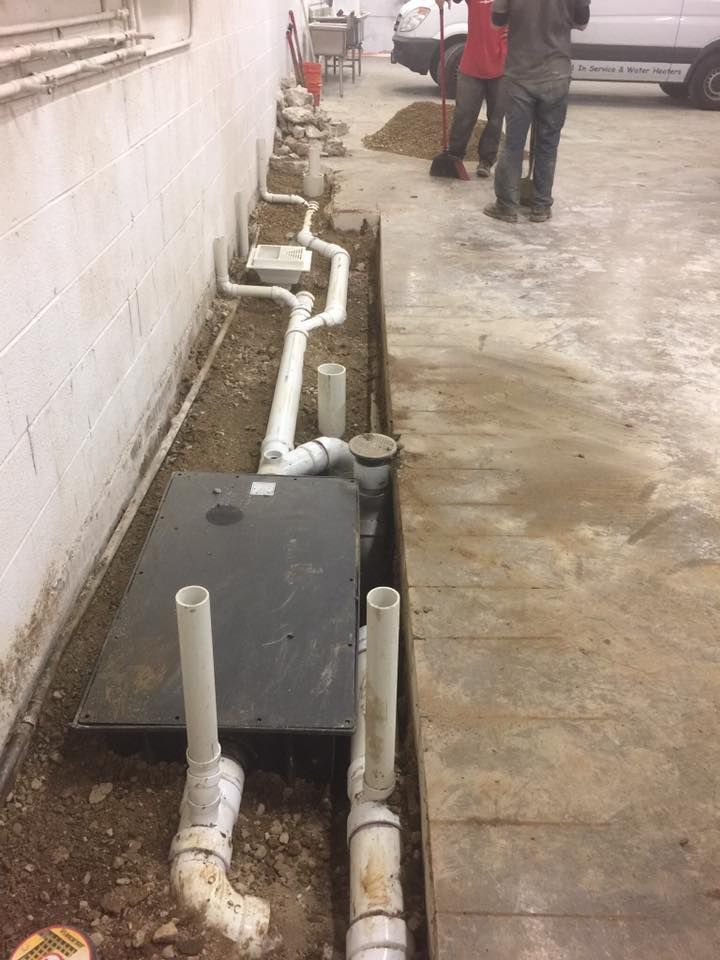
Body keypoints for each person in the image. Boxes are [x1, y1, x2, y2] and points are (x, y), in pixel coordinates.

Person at [483, 0, 591, 223]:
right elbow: (582, 22)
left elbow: (497, 22)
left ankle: (506, 206)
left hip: (520, 74)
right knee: (548, 144)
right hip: (556, 75)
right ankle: (540, 206)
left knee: (513, 144)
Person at [435, 0, 508, 178]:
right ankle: (454, 157)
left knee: (496, 120)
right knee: (463, 115)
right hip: (471, 66)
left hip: (502, 68)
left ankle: (486, 161)